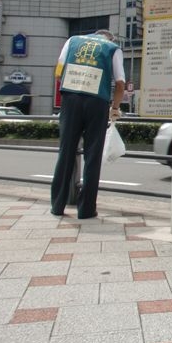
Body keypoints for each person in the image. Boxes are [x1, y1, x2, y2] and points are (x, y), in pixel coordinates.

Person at [50, 30, 125, 219]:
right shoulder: (113, 48)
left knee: (66, 152)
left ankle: (57, 205)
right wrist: (115, 108)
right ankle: (86, 209)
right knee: (92, 156)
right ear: (109, 38)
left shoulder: (72, 41)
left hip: (71, 98)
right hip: (97, 102)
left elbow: (58, 72)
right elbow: (120, 83)